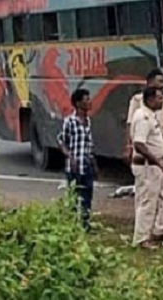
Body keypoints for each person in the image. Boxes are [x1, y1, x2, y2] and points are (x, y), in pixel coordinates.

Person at [131, 86, 163, 248]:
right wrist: (158, 162)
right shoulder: (142, 117)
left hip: (159, 163)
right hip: (148, 165)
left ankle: (161, 229)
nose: (162, 101)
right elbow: (139, 144)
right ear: (150, 100)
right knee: (148, 201)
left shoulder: (152, 116)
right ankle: (142, 238)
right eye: (159, 98)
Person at [57, 88, 96, 231]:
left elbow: (89, 145)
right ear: (78, 103)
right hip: (74, 167)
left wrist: (93, 163)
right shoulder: (70, 121)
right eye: (86, 99)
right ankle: (72, 225)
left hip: (86, 165)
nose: (89, 102)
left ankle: (85, 224)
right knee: (73, 197)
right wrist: (69, 155)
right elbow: (61, 140)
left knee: (87, 196)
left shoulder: (88, 122)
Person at [124, 69, 163, 163]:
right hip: (145, 143)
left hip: (160, 143)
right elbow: (129, 123)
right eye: (160, 81)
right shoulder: (137, 100)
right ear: (150, 82)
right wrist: (128, 146)